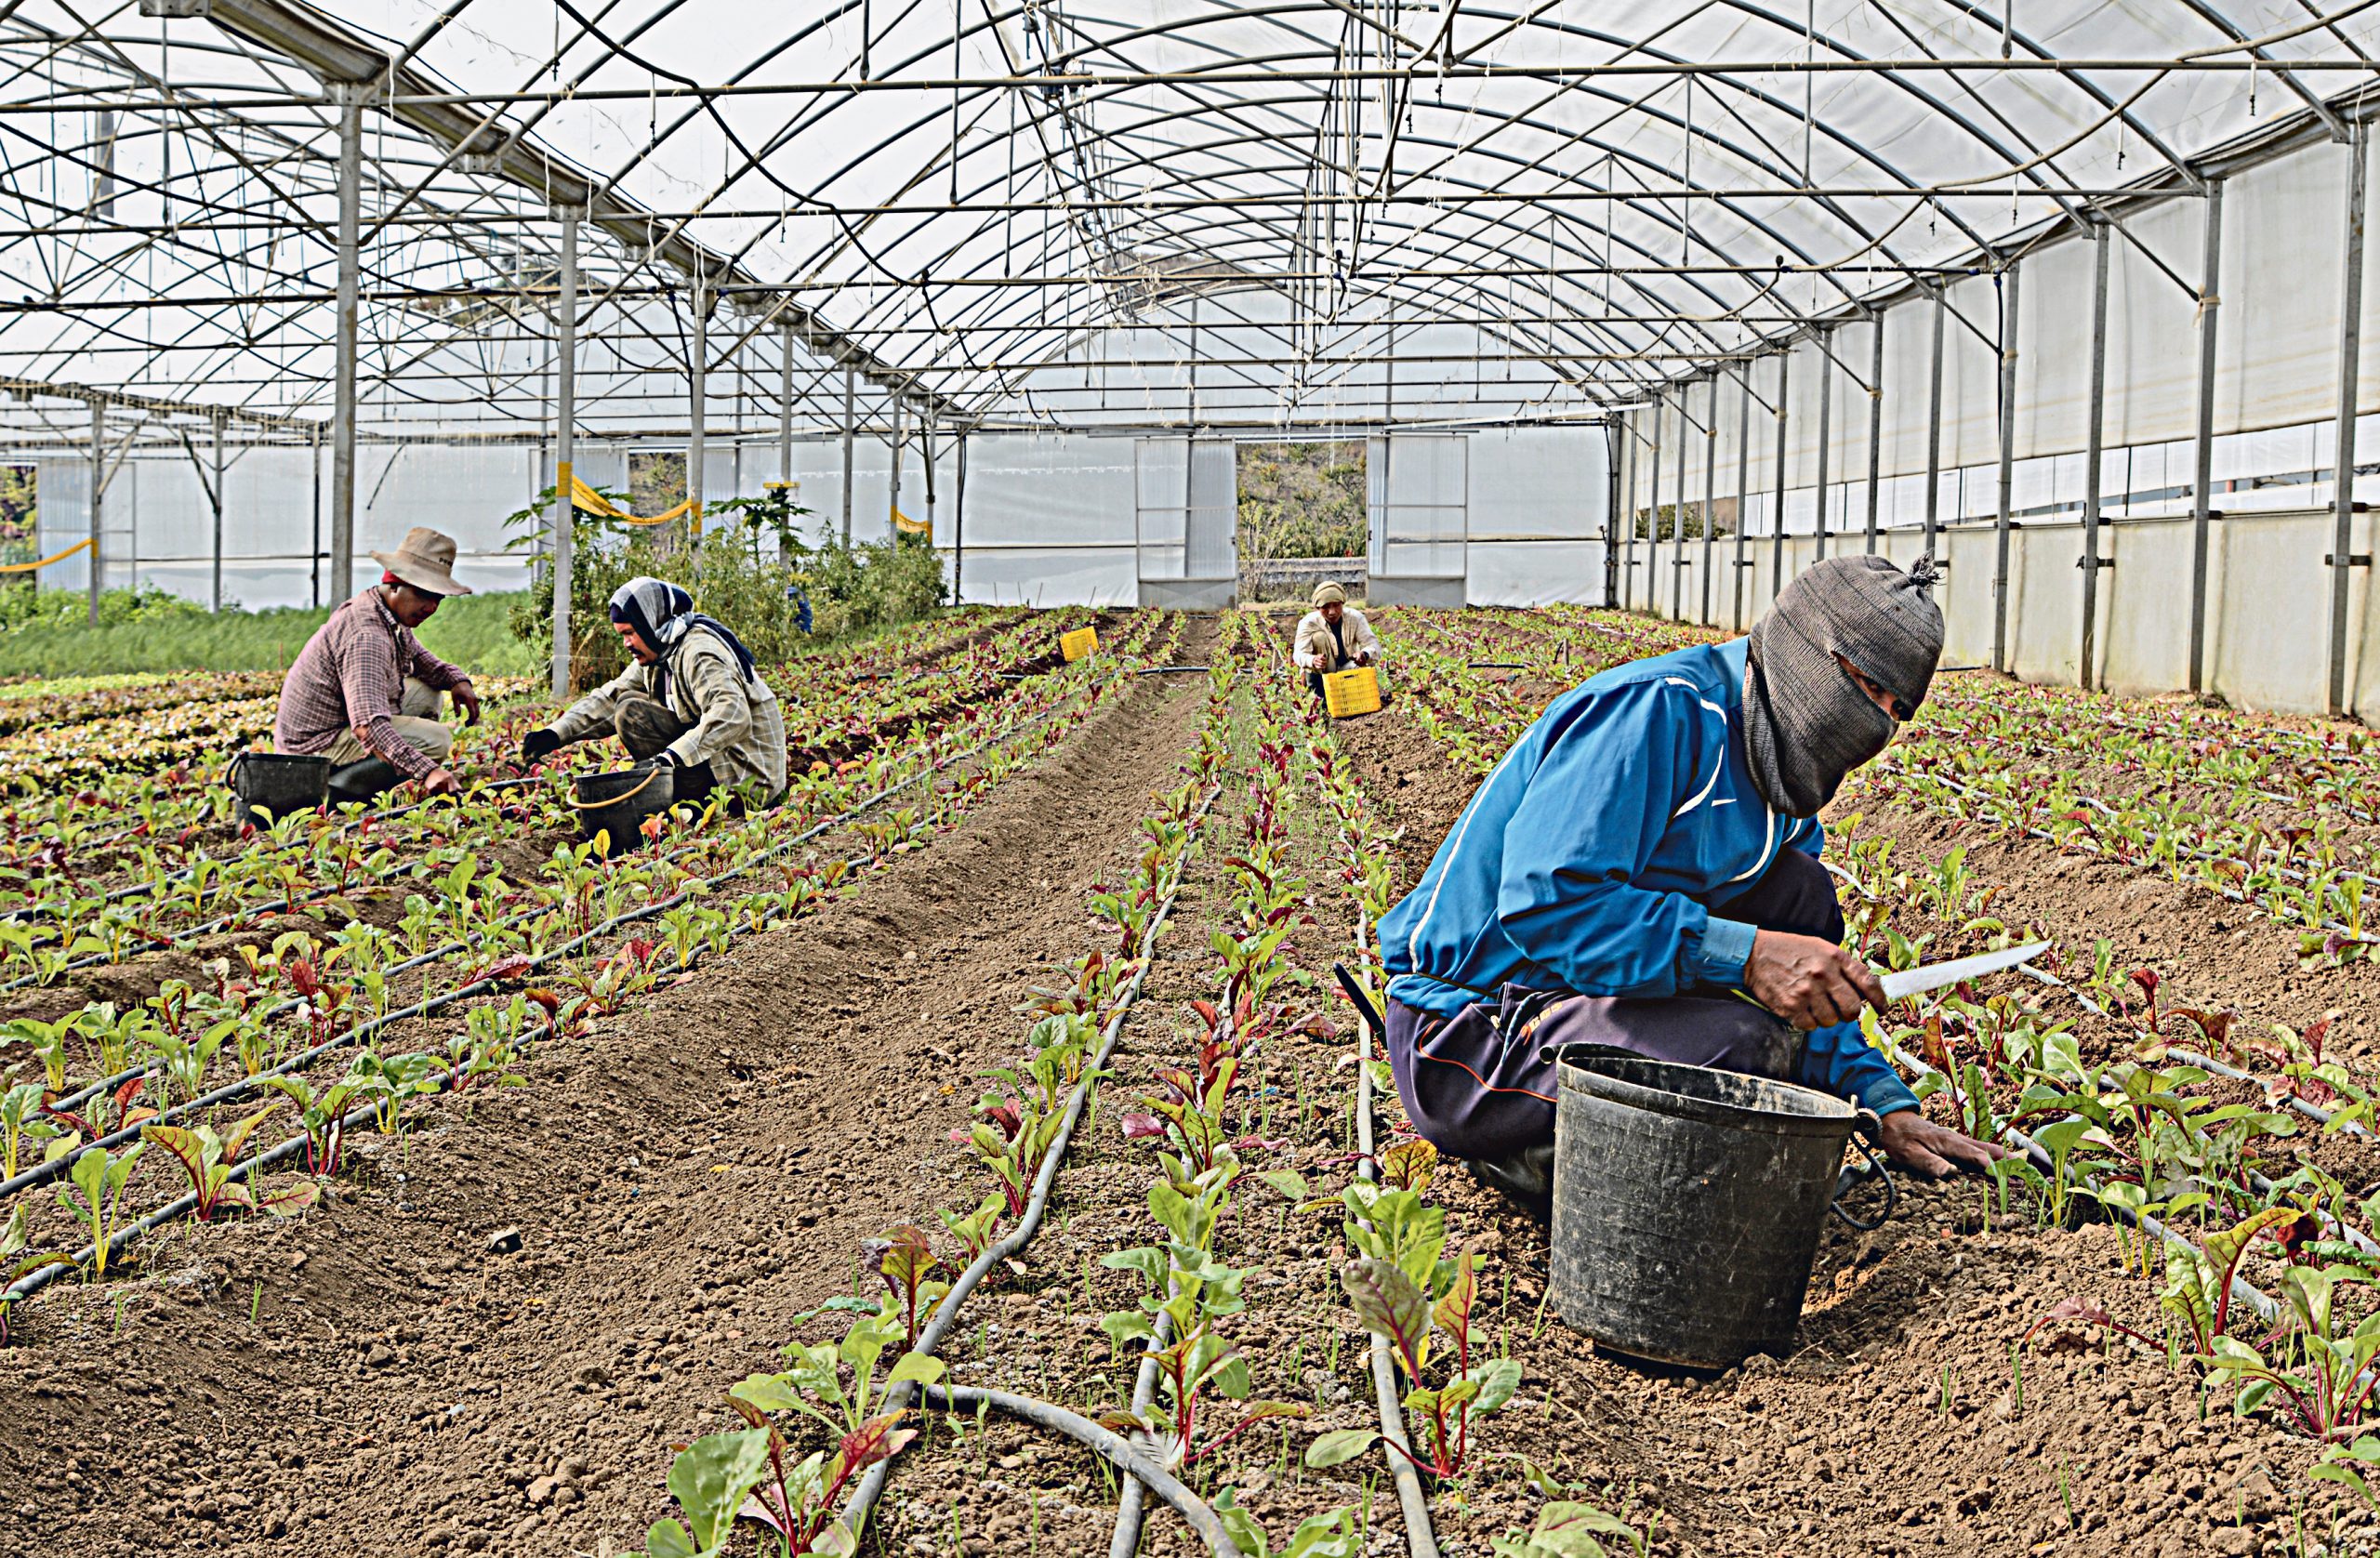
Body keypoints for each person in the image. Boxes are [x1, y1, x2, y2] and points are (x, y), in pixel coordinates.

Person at [1376, 555, 2012, 1208]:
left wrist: (1881, 1105)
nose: (1873, 720)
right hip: (1470, 1033)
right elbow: (1545, 904)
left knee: (1801, 896)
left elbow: (1808, 984)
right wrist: (1747, 957)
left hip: (1582, 1002)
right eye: (1863, 685)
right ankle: (1536, 1162)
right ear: (1805, 647)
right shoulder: (1658, 714)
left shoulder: (1781, 783)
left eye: (1894, 706)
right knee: (1739, 1048)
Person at [521, 576, 787, 804]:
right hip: (719, 762)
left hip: (747, 778)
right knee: (627, 704)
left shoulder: (699, 653)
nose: (626, 643)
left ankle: (689, 797)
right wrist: (555, 734)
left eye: (630, 633)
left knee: (631, 712)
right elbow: (611, 697)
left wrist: (671, 757)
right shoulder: (661, 649)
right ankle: (681, 789)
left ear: (651, 624)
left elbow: (732, 715)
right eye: (622, 636)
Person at [272, 526, 483, 802]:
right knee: (435, 741)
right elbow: (368, 726)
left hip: (339, 723)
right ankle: (335, 793)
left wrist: (457, 680)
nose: (431, 607)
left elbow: (418, 658)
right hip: (311, 751)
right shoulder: (367, 636)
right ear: (394, 583)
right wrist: (427, 770)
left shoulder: (384, 611)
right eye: (423, 594)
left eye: (438, 598)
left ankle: (374, 773)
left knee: (426, 694)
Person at [1291, 582, 1383, 704]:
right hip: (1322, 674)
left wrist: (1365, 654)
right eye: (1325, 607)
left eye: (1336, 605)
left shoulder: (1355, 618)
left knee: (1361, 667)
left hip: (1347, 668)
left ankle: (1348, 696)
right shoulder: (1308, 623)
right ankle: (1319, 696)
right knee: (1319, 637)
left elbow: (1373, 645)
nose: (1332, 612)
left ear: (1343, 603)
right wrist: (1312, 660)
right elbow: (1299, 654)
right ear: (1317, 608)